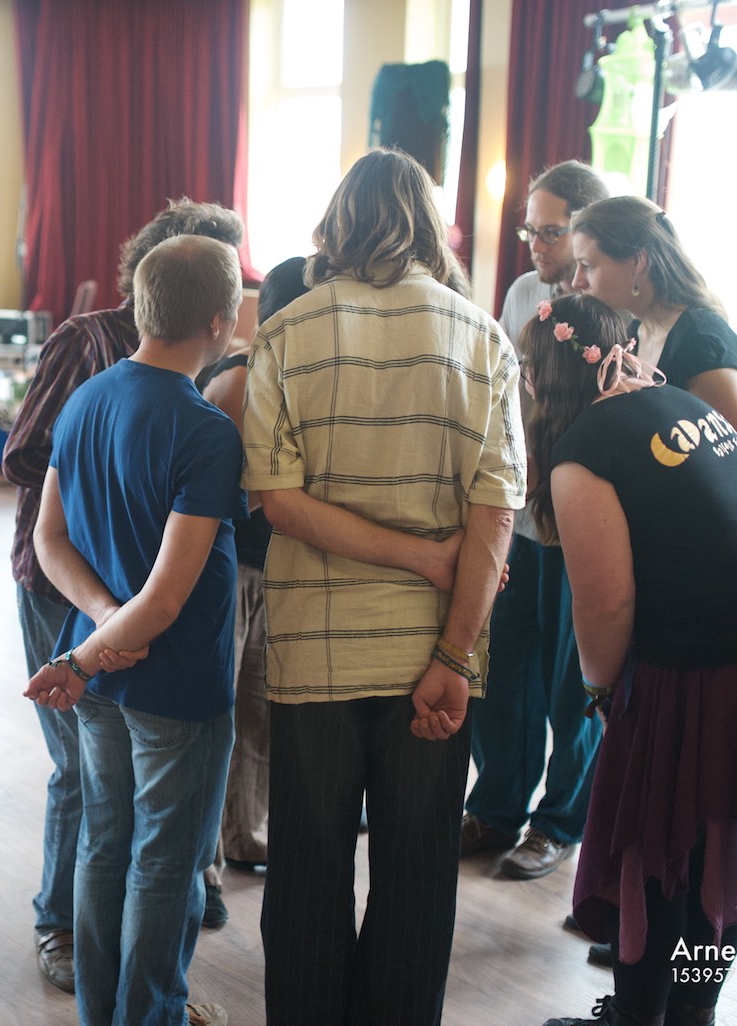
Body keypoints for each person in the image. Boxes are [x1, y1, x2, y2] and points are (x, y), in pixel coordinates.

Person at [243, 149, 524, 1026]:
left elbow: (278, 503)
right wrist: (453, 651)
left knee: (305, 869)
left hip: (313, 650)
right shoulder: (482, 338)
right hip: (433, 653)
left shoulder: (284, 333)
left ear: (336, 225)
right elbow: (495, 516)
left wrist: (414, 557)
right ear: (430, 226)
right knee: (416, 875)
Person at [520, 294, 737, 1026]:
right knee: (719, 843)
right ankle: (690, 1010)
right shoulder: (676, 403)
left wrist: (601, 695)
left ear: (540, 380)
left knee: (659, 841)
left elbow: (606, 604)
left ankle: (642, 1016)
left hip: (727, 653)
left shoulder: (582, 450)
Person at [0, 198, 246, 994]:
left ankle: (101, 1011)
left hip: (100, 666)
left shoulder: (85, 397)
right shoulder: (204, 429)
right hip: (172, 678)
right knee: (165, 862)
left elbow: (49, 540)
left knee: (105, 843)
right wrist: (95, 646)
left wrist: (99, 628)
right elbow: (166, 601)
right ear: (220, 321)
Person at [462, 160, 610, 880]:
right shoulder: (523, 293)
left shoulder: (611, 309)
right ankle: (495, 807)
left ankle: (557, 824)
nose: (535, 245)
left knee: (568, 684)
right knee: (498, 670)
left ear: (584, 231)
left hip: (579, 525)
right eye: (529, 230)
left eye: (550, 232)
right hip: (517, 516)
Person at [192, 256, 307, 925]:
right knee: (220, 715)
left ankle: (244, 834)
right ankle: (203, 864)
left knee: (258, 712)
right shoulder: (239, 379)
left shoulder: (296, 372)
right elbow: (227, 497)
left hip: (274, 567)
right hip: (230, 567)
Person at [570, 195, 737, 519]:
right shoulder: (636, 331)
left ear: (638, 262)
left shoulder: (698, 344)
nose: (577, 281)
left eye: (588, 266)